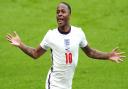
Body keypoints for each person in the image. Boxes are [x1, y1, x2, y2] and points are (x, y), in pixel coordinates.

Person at [6, 2, 125, 89]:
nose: (59, 14)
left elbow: (90, 52)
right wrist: (20, 44)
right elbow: (35, 54)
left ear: (70, 15)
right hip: (53, 84)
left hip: (67, 85)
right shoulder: (51, 35)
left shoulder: (78, 33)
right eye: (57, 12)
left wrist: (108, 55)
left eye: (63, 11)